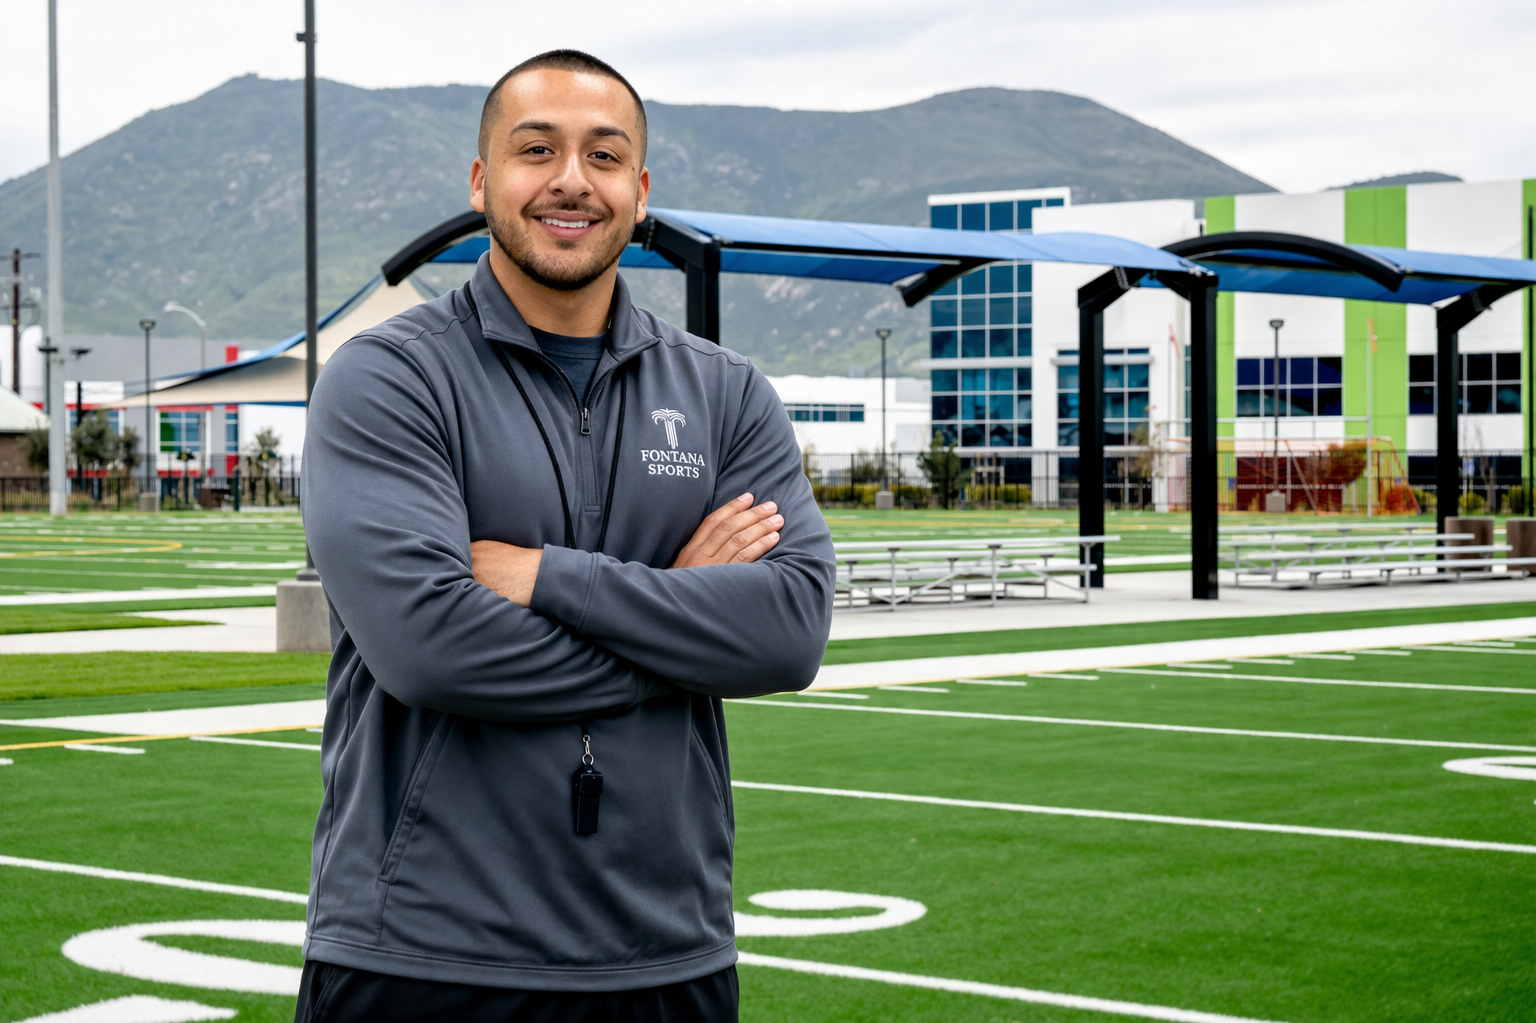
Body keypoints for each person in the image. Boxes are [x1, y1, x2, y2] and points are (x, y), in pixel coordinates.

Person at [295, 49, 835, 1023]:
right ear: (482, 180)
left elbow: (790, 631)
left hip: (666, 952)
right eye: (535, 149)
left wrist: (548, 576)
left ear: (640, 190)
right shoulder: (388, 380)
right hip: (422, 954)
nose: (570, 181)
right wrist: (683, 616)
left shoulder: (725, 392)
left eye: (603, 155)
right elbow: (431, 648)